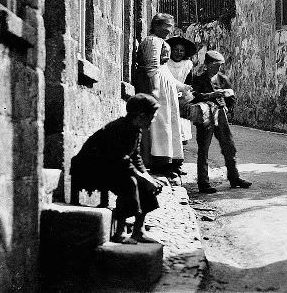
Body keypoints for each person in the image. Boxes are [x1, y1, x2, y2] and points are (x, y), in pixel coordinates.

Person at [70, 94, 165, 245]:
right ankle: (119, 232)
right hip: (90, 169)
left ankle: (138, 230)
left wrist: (148, 177)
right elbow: (121, 159)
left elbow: (136, 157)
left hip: (111, 166)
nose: (153, 120)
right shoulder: (118, 129)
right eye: (152, 117)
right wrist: (142, 178)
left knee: (145, 183)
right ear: (141, 116)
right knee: (130, 182)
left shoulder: (136, 130)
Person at [134, 13, 193, 181]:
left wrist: (181, 86)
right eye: (165, 26)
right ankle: (160, 163)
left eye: (170, 27)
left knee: (170, 124)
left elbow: (164, 71)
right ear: (156, 26)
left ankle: (171, 161)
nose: (168, 30)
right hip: (158, 87)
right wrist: (155, 91)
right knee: (161, 125)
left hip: (166, 87)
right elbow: (152, 68)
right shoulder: (152, 41)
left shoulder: (162, 42)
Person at [190, 49, 251, 194]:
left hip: (221, 114)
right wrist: (211, 95)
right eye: (215, 65)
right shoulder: (198, 79)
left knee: (229, 146)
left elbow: (232, 98)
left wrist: (227, 104)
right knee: (203, 150)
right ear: (207, 64)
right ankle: (203, 183)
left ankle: (234, 177)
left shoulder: (223, 79)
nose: (218, 68)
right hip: (205, 116)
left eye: (219, 65)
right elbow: (193, 97)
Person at [166, 33, 198, 147]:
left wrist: (185, 93)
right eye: (176, 50)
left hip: (181, 96)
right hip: (166, 94)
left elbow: (189, 83)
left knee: (181, 124)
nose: (178, 53)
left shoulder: (187, 65)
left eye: (181, 51)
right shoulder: (166, 63)